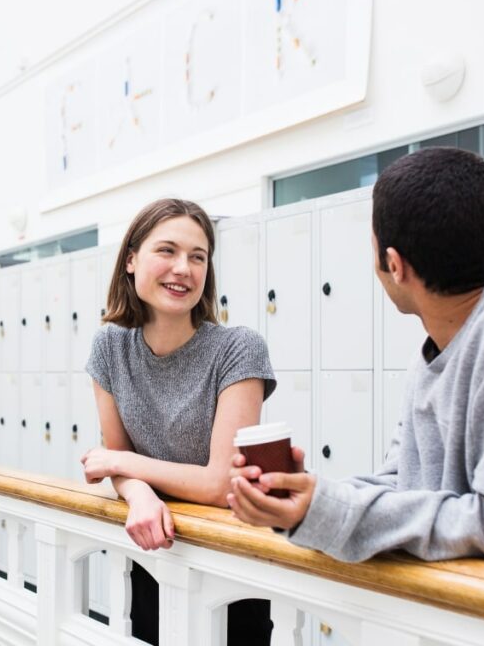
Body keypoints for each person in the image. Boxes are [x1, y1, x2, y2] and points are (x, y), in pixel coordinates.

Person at [228, 147, 484, 584]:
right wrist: (307, 496)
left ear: (395, 264)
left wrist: (330, 509)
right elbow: (406, 488)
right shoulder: (440, 344)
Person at [82, 199, 277, 644]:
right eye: (166, 251)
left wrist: (122, 465)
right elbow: (118, 465)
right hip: (155, 551)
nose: (183, 268)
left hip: (232, 567)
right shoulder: (109, 348)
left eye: (198, 256)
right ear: (131, 260)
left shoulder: (239, 349)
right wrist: (140, 496)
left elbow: (218, 484)